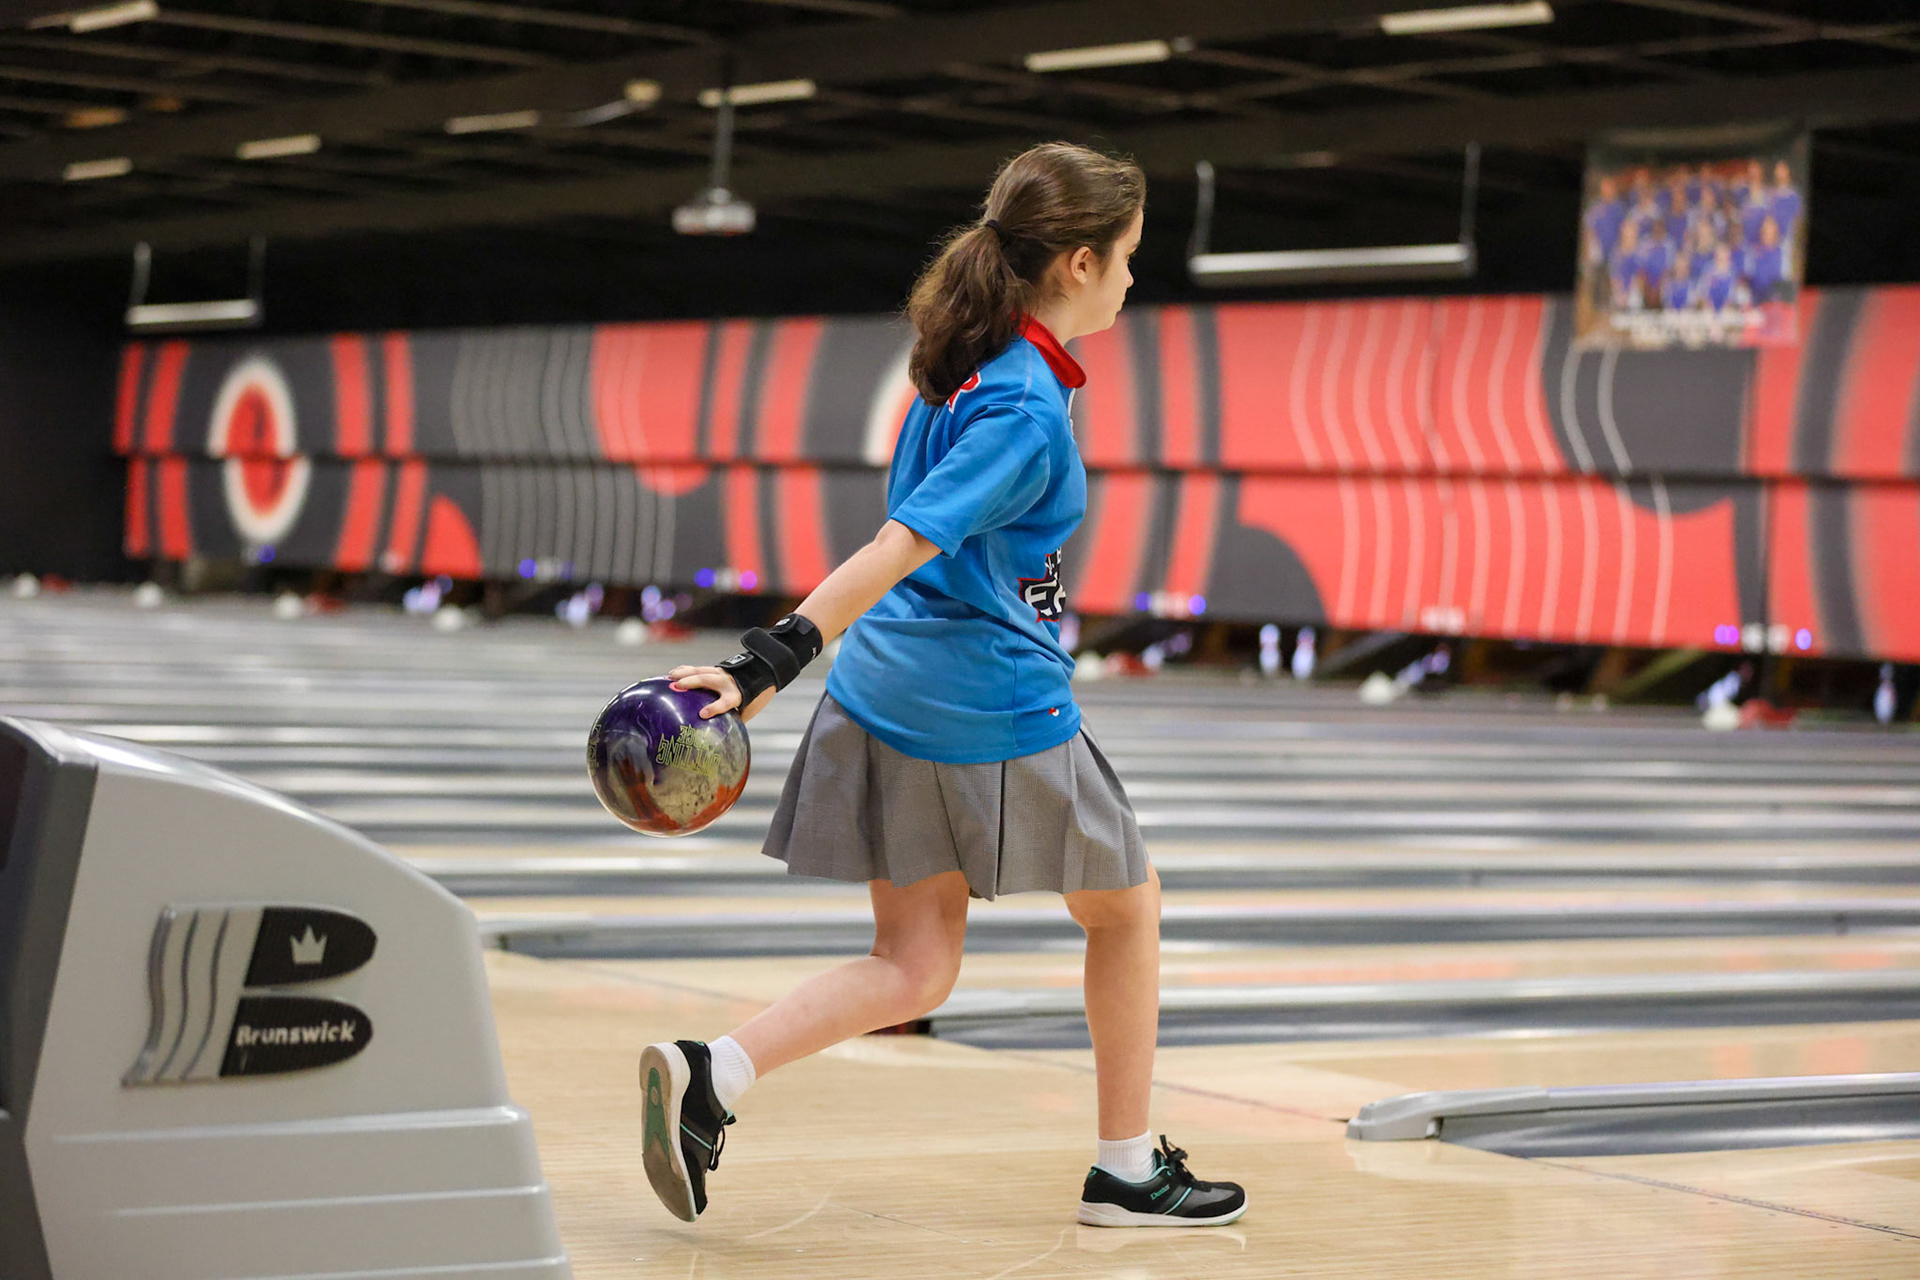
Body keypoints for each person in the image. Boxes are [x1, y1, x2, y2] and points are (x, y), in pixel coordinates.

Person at [636, 141, 1249, 1231]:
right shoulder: (1022, 403)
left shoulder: (969, 360)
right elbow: (905, 538)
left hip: (886, 686)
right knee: (1129, 910)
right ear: (1076, 262)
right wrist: (771, 656)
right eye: (1126, 255)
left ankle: (711, 1072)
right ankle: (1124, 1170)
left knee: (914, 964)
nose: (1131, 276)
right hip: (986, 694)